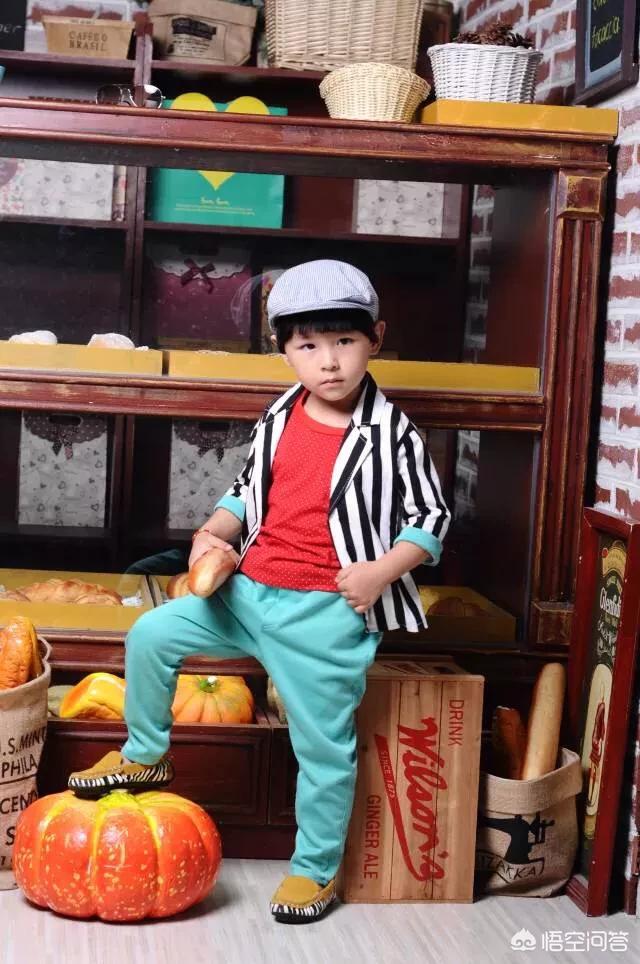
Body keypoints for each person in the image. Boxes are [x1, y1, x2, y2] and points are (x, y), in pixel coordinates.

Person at [68, 259, 451, 923]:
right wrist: (211, 533)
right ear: (284, 351)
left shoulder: (394, 435)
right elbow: (248, 489)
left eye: (345, 341)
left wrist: (381, 571)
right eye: (308, 345)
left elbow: (431, 518)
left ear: (376, 339)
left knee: (323, 750)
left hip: (324, 614)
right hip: (247, 594)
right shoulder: (281, 412)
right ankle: (145, 755)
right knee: (153, 633)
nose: (328, 361)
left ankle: (314, 871)